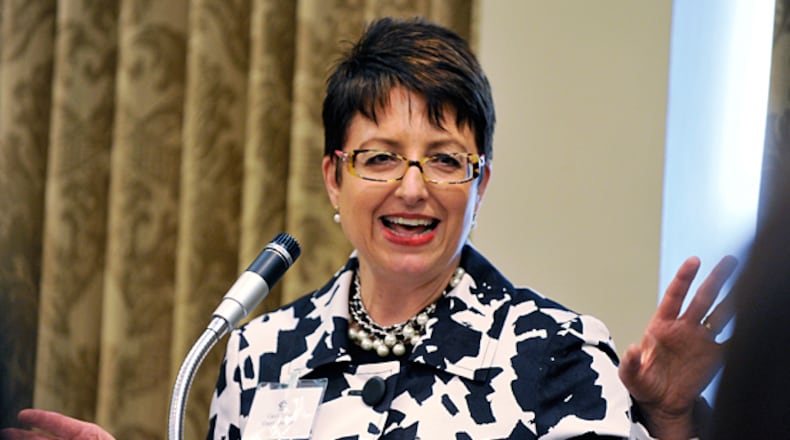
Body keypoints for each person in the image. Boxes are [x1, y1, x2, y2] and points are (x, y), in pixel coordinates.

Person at [1, 17, 735, 440]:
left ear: (479, 184)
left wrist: (672, 423)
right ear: (334, 177)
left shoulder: (555, 353)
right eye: (380, 158)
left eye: (445, 160)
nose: (412, 189)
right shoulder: (260, 355)